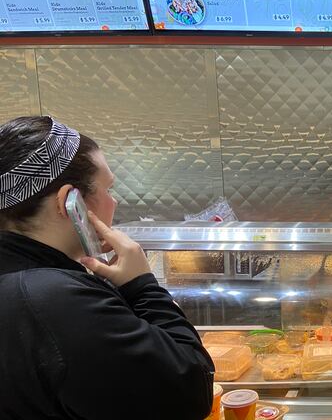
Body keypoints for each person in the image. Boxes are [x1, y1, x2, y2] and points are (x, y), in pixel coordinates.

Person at [0, 116, 214, 419]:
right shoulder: (55, 300)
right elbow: (190, 392)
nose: (113, 203)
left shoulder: (26, 283)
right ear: (68, 202)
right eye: (108, 189)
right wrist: (142, 285)